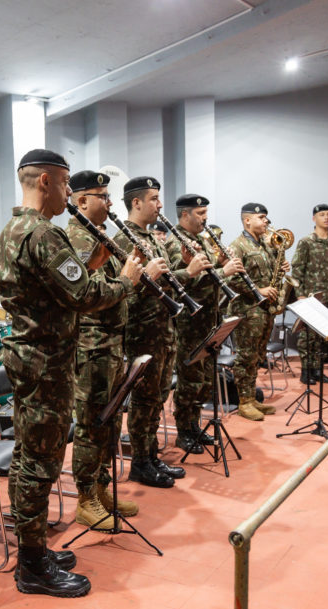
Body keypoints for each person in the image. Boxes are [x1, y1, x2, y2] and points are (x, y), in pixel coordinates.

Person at [0, 149, 141, 597]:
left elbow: (55, 290)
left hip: (31, 357)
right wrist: (128, 281)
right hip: (47, 363)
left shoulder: (13, 229)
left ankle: (34, 548)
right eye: (63, 184)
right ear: (44, 181)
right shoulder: (43, 234)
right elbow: (83, 298)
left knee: (28, 458)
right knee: (40, 462)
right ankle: (33, 566)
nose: (66, 194)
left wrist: (94, 267)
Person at [66, 170, 167, 529]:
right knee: (91, 424)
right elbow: (90, 295)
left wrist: (137, 280)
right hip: (92, 344)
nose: (111, 203)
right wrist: (132, 278)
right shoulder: (76, 240)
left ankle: (101, 487)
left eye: (110, 196)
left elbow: (120, 290)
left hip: (112, 342)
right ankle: (86, 498)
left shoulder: (100, 234)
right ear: (81, 201)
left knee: (108, 422)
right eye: (103, 197)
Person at [113, 177, 208, 487]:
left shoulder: (152, 238)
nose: (160, 204)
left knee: (157, 398)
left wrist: (182, 264)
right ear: (136, 202)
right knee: (143, 401)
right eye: (153, 198)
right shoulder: (125, 240)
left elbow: (167, 283)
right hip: (143, 333)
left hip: (164, 331)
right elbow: (123, 291)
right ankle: (140, 462)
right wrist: (188, 272)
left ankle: (151, 456)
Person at [165, 194, 243, 453]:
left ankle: (195, 425)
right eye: (200, 213)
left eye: (205, 213)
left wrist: (221, 264)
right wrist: (225, 272)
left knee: (205, 380)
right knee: (190, 380)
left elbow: (209, 276)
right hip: (190, 322)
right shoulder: (176, 242)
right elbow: (185, 283)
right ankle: (184, 430)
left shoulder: (201, 240)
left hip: (209, 320)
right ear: (185, 215)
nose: (205, 218)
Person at [226, 202, 288, 421]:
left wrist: (281, 269)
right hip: (248, 310)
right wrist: (258, 290)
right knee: (245, 357)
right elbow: (232, 279)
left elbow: (271, 272)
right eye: (262, 217)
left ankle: (252, 398)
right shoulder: (238, 245)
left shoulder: (266, 244)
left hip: (265, 309)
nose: (266, 222)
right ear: (247, 220)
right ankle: (244, 402)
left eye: (266, 218)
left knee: (257, 356)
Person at [291, 204, 328, 385]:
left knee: (325, 336)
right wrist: (299, 295)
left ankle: (318, 370)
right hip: (310, 295)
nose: (326, 218)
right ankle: (306, 371)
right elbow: (297, 270)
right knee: (308, 336)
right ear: (314, 218)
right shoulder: (306, 242)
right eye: (322, 215)